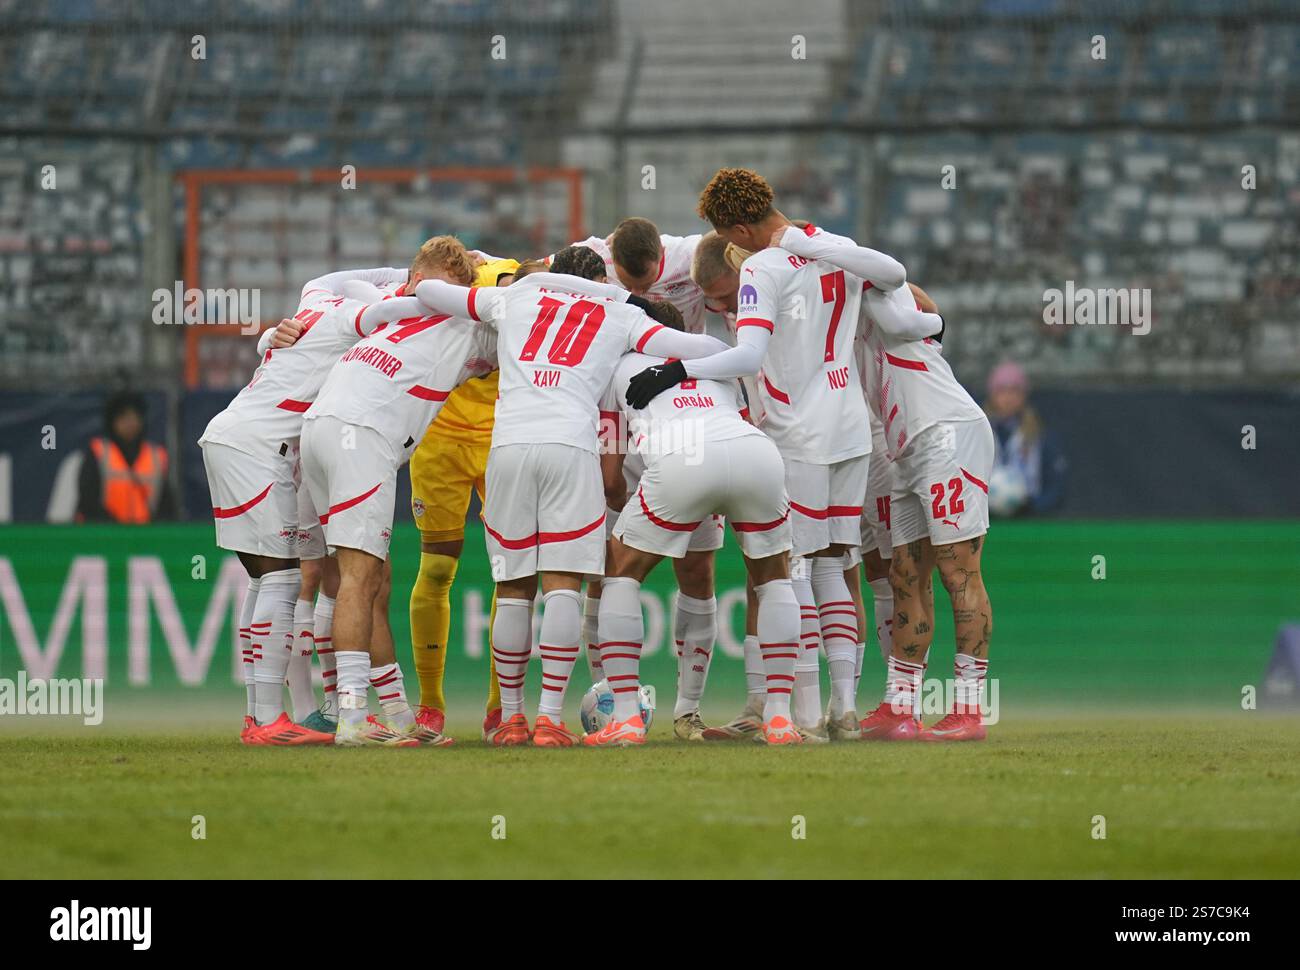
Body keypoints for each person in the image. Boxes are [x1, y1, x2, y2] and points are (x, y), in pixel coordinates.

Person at [629, 167, 908, 741]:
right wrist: (809, 239)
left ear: (737, 227)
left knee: (794, 569)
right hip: (851, 425)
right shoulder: (837, 250)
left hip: (798, 430)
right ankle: (845, 709)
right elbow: (895, 273)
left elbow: (749, 355)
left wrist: (680, 368)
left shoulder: (762, 266)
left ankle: (798, 714)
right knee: (837, 562)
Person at [414, 268, 730, 746]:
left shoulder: (515, 298)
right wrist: (631, 312)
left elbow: (428, 290)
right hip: (571, 448)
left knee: (514, 587)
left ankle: (512, 721)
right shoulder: (620, 312)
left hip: (509, 448)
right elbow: (708, 350)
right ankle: (548, 720)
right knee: (563, 584)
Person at [778, 229, 995, 742]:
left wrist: (935, 320)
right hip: (905, 447)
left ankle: (969, 709)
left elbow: (905, 306)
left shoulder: (878, 291)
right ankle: (902, 706)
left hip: (946, 432)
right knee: (904, 575)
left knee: (958, 572)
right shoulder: (828, 317)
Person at [200, 263, 414, 744]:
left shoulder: (315, 298)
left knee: (264, 581)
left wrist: (404, 272)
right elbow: (406, 307)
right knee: (282, 579)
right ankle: (270, 719)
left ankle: (260, 717)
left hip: (239, 437)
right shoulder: (356, 317)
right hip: (258, 448)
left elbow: (342, 277)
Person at [299, 243, 496, 748]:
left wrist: (403, 279)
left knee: (369, 579)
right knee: (359, 581)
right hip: (363, 437)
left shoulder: (384, 300)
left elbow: (334, 279)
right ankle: (350, 718)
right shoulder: (472, 325)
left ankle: (399, 717)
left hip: (319, 427)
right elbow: (526, 304)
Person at [590, 302, 802, 746]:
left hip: (682, 460)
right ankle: (780, 717)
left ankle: (627, 717)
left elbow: (612, 478)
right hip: (754, 454)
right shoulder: (715, 360)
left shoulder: (616, 368)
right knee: (774, 579)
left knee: (619, 575)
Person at [405, 246, 519, 741]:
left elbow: (559, 271)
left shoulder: (510, 275)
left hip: (503, 436)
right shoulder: (412, 292)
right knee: (436, 567)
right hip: (439, 436)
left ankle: (500, 707)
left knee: (509, 570)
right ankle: (430, 705)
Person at [76, 392, 176, 524]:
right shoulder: (98, 452)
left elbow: (166, 504)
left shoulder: (156, 456)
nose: (130, 423)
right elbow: (88, 500)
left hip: (145, 536)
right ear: (112, 422)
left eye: (135, 417)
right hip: (104, 533)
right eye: (124, 417)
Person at [983, 361, 1067, 516]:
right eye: (1001, 391)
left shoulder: (1040, 433)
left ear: (1024, 395)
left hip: (1030, 518)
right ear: (992, 394)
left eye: (1014, 391)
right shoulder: (978, 431)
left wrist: (1034, 506)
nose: (1008, 398)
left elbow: (1055, 485)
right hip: (984, 518)